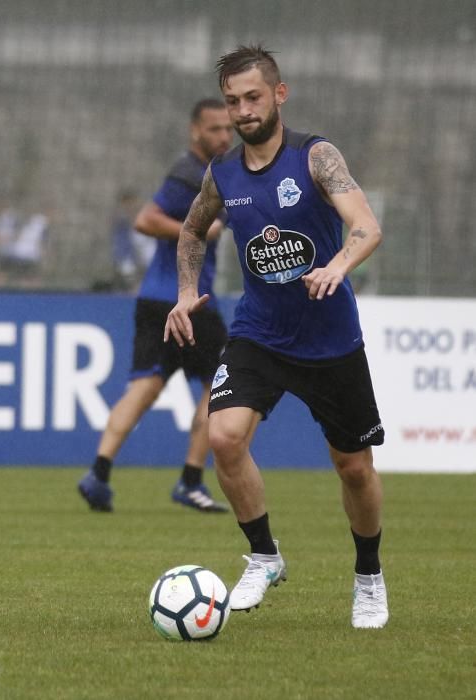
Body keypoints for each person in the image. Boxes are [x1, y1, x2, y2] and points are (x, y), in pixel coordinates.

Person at [165, 45, 388, 629]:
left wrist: (339, 265)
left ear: (278, 94)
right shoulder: (223, 173)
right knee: (224, 436)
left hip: (330, 339)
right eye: (233, 101)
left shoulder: (316, 156)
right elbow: (191, 231)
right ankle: (264, 557)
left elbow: (366, 226)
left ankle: (368, 576)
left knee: (354, 469)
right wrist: (187, 292)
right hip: (259, 335)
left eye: (252, 97)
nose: (242, 110)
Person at [78, 98, 234, 513]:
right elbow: (145, 220)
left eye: (227, 128)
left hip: (154, 297)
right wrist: (199, 230)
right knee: (220, 386)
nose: (223, 136)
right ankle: (191, 480)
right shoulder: (190, 174)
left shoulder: (220, 172)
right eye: (214, 128)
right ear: (194, 132)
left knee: (144, 387)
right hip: (191, 299)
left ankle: (99, 472)